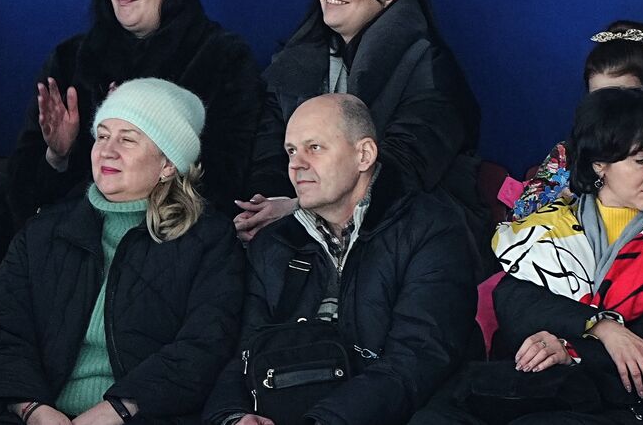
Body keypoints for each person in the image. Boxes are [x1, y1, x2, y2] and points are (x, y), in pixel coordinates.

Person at [205, 93, 479, 425]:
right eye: (291, 151)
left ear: (364, 154)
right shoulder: (274, 242)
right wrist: (234, 416)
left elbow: (419, 357)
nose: (296, 164)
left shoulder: (432, 228)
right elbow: (243, 351)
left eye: (314, 148)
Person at [0, 79, 244, 424]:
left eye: (127, 139)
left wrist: (121, 408)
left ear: (167, 164)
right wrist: (32, 409)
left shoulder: (208, 241)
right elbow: (3, 332)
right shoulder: (42, 232)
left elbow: (205, 345)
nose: (107, 150)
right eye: (103, 135)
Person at [469, 88, 643, 424]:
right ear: (598, 163)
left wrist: (570, 350)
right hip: (544, 390)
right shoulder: (547, 226)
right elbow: (515, 301)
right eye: (642, 159)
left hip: (634, 406)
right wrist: (600, 326)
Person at [8, 0, 263, 224]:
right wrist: (57, 156)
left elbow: (224, 182)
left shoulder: (224, 58)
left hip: (167, 242)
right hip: (71, 241)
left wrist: (150, 138)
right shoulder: (70, 59)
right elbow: (22, 194)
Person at [236, 0, 481, 242]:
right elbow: (269, 155)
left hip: (408, 229)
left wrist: (299, 209)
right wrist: (263, 208)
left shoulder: (430, 66)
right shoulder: (292, 64)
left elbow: (406, 170)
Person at [513, 21, 643, 221]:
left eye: (627, 97)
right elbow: (520, 220)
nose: (613, 112)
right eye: (600, 100)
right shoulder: (565, 154)